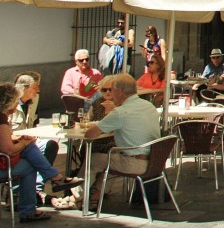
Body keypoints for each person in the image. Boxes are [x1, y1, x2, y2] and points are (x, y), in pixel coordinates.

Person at [0, 82, 82, 221]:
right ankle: (52, 181)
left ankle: (54, 179)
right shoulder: (1, 119)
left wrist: (19, 139)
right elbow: (9, 150)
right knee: (30, 163)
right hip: (2, 165)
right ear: (10, 102)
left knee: (31, 150)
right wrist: (25, 142)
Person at [83, 74, 160, 209]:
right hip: (155, 162)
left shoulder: (120, 112)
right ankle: (97, 193)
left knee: (93, 159)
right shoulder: (149, 106)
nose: (110, 93)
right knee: (108, 158)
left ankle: (77, 196)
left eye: (111, 90)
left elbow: (89, 134)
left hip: (135, 163)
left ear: (120, 92)